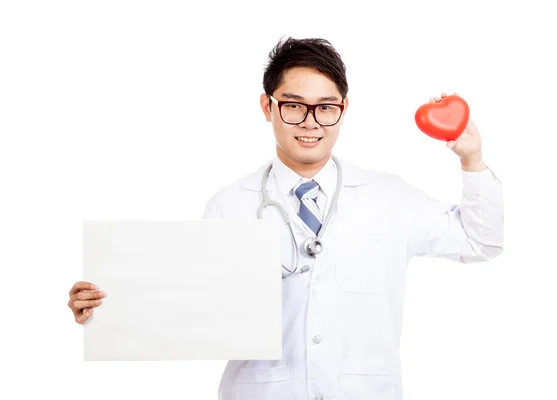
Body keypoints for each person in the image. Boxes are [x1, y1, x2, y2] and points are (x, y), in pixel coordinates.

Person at [68, 37, 503, 400]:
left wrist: (473, 158)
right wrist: (108, 308)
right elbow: (187, 304)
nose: (310, 122)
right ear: (267, 106)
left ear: (343, 109)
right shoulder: (229, 206)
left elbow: (481, 242)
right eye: (294, 106)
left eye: (325, 107)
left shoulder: (390, 198)